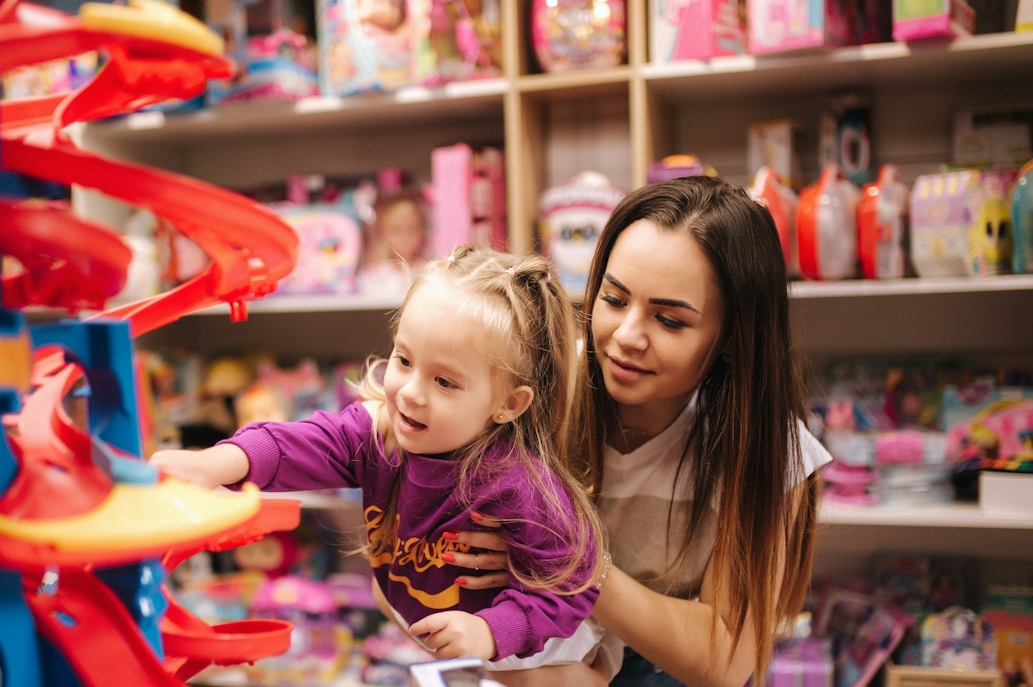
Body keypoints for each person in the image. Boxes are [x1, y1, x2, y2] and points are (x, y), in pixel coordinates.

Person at [151, 246, 609, 680]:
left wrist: (491, 631)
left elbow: (570, 589)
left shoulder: (517, 482)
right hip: (446, 647)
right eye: (404, 359)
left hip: (535, 655)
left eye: (445, 382)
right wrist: (216, 463)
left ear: (508, 404)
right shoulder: (382, 434)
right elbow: (301, 443)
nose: (410, 391)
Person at [447, 176, 832, 686]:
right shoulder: (528, 391)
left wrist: (577, 569)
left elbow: (724, 660)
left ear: (734, 336)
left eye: (669, 321)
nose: (627, 337)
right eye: (613, 299)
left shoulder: (770, 450)